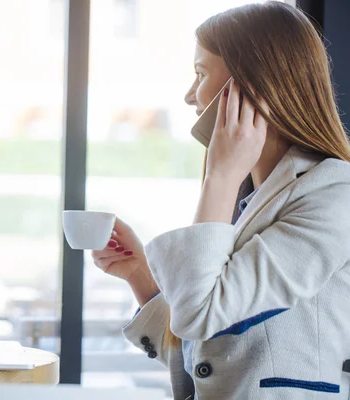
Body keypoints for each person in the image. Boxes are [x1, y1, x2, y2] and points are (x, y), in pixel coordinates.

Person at [92, 2, 350, 399]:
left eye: (200, 74)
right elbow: (211, 357)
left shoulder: (335, 195)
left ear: (249, 88)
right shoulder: (248, 198)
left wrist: (221, 174)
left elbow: (202, 315)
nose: (189, 95)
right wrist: (140, 278)